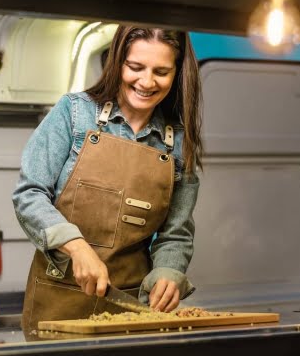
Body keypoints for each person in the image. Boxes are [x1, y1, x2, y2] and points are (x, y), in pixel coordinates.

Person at [13, 26, 204, 331]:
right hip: (57, 302)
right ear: (117, 62)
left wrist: (169, 271)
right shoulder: (74, 113)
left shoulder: (179, 143)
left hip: (129, 309)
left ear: (178, 72)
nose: (147, 81)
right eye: (135, 67)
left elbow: (175, 233)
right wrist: (76, 246)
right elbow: (29, 194)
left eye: (161, 71)